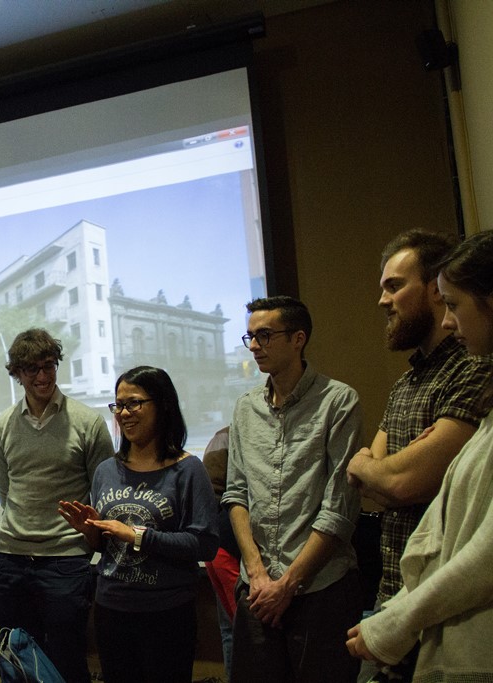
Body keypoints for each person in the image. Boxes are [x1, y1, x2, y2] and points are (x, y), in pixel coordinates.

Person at [346, 230, 493, 680]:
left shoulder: (476, 368)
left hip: (443, 609)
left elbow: (403, 482)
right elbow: (366, 480)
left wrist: (378, 469)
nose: (382, 301)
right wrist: (379, 470)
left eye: (394, 286)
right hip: (396, 593)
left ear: (434, 289)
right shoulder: (404, 385)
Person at [222, 296, 364, 682]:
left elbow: (339, 508)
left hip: (321, 589)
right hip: (257, 589)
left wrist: (287, 584)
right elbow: (236, 493)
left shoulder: (338, 401)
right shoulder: (245, 408)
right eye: (250, 336)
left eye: (265, 335)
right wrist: (257, 572)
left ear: (298, 338)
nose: (254, 346)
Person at [58, 366, 218, 682]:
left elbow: (205, 544)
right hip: (111, 609)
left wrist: (137, 535)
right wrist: (92, 532)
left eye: (134, 403)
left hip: (167, 613)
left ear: (163, 405)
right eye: (118, 405)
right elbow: (106, 546)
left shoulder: (188, 470)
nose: (124, 413)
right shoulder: (106, 470)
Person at [0, 328, 114, 683]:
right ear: (17, 373)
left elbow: (103, 493)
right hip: (12, 558)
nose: (43, 376)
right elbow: (7, 492)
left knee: (66, 660)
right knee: (16, 661)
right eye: (32, 369)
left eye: (49, 366)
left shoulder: (88, 422)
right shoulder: (1, 425)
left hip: (66, 561)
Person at [201, 426, 241, 681]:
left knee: (231, 628)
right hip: (229, 546)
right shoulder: (228, 436)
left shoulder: (223, 436)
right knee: (243, 629)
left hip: (219, 544)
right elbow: (210, 493)